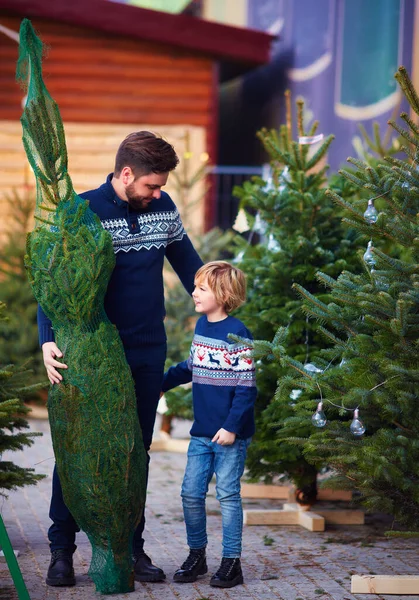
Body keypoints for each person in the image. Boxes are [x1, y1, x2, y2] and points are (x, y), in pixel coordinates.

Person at [38, 131, 203, 587]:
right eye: (151, 185)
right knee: (78, 449)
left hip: (148, 349)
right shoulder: (82, 212)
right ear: (125, 173)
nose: (157, 193)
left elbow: (190, 266)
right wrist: (48, 339)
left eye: (161, 186)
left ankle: (131, 548)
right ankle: (62, 551)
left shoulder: (162, 209)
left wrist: (222, 316)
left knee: (136, 451)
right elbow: (52, 280)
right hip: (90, 353)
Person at [161, 261, 256, 589]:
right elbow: (192, 365)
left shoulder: (238, 333)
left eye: (201, 288)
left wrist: (231, 427)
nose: (194, 293)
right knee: (190, 493)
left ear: (223, 294)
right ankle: (197, 555)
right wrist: (161, 382)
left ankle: (232, 562)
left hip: (230, 434)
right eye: (196, 287)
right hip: (202, 432)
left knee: (228, 495)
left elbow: (246, 385)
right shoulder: (202, 325)